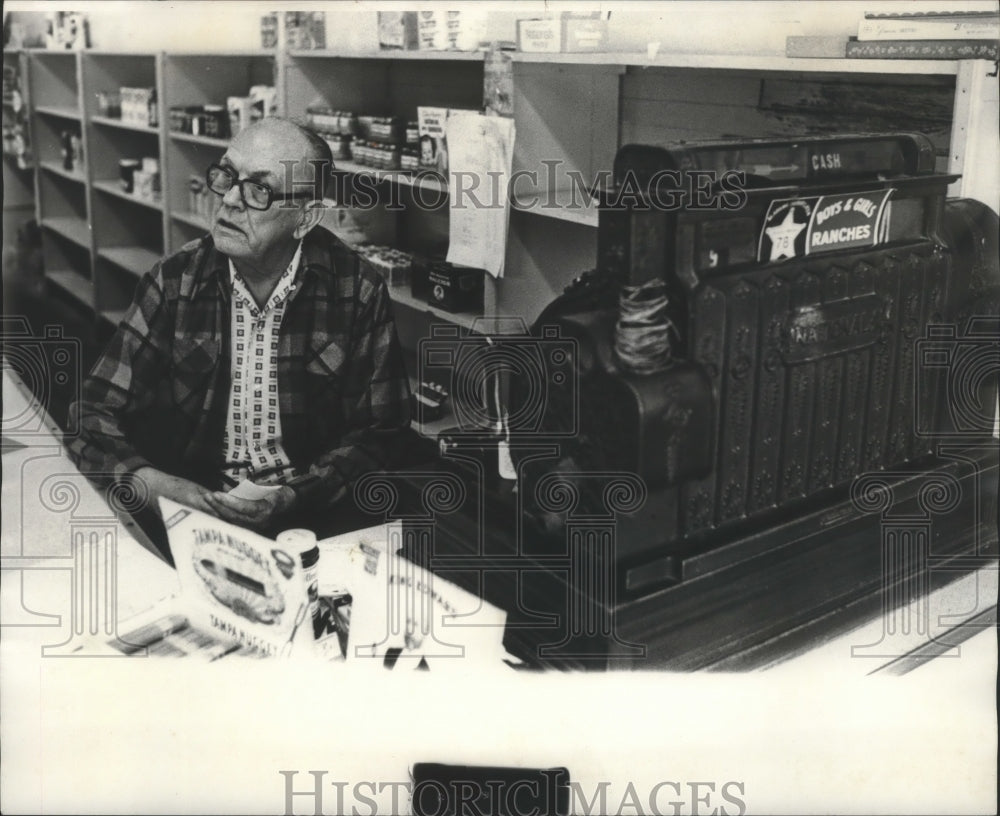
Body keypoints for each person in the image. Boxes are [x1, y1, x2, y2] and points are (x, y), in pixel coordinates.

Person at [67, 117, 414, 559]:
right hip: (195, 510)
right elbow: (91, 415)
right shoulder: (175, 282)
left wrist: (293, 496)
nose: (230, 200)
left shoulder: (355, 289)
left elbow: (382, 433)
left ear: (305, 218)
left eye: (259, 190)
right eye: (228, 176)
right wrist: (160, 488)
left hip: (313, 520)